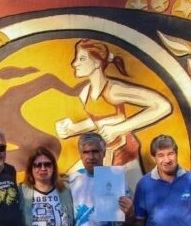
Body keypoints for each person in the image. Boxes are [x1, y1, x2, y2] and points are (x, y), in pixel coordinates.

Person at [55, 39, 172, 188]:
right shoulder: (85, 93)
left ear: (96, 63)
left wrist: (118, 129)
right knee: (65, 183)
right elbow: (99, 119)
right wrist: (73, 129)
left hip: (125, 155)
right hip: (103, 155)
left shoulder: (113, 90)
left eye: (81, 59)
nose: (74, 63)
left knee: (133, 198)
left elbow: (162, 106)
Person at [68, 132, 134, 226]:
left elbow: (128, 221)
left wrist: (130, 211)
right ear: (80, 155)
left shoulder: (116, 178)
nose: (91, 156)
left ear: (103, 153)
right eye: (86, 152)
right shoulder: (73, 179)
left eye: (95, 151)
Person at [20, 147, 74, 226]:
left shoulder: (65, 190)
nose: (43, 168)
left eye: (47, 164)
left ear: (54, 167)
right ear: (30, 169)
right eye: (37, 165)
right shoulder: (22, 192)